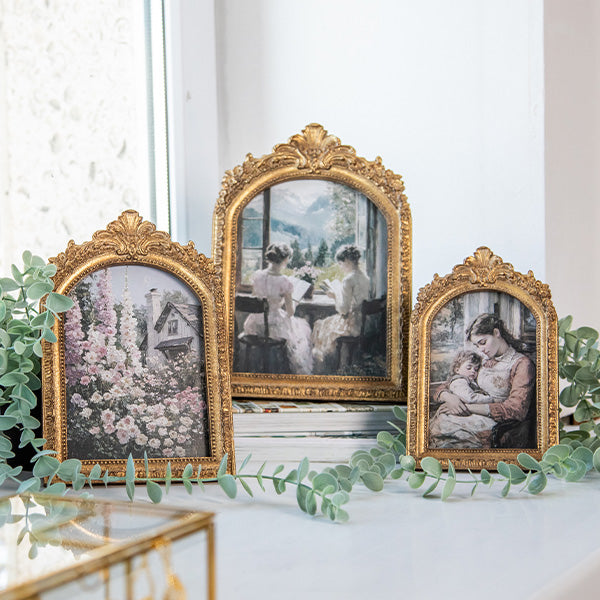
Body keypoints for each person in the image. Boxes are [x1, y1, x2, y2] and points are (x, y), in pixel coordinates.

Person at [429, 313, 536, 449]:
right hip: (470, 413)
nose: (481, 349)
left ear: (496, 333)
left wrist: (465, 407)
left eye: (483, 343)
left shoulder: (521, 364)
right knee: (438, 429)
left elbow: (516, 409)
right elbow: (451, 383)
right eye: (477, 345)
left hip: (497, 422)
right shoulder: (482, 360)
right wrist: (449, 398)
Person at [242, 242, 313, 374]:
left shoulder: (257, 275)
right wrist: (294, 302)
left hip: (254, 326)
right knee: (302, 329)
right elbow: (290, 312)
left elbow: (255, 299)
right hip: (273, 328)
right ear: (285, 259)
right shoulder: (284, 281)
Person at [311, 245, 370, 372]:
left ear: (347, 261)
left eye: (341, 263)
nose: (340, 267)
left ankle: (325, 368)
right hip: (364, 323)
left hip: (352, 325)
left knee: (319, 325)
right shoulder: (365, 277)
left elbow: (343, 310)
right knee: (324, 323)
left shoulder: (348, 279)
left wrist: (334, 296)